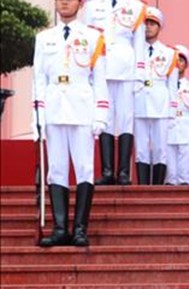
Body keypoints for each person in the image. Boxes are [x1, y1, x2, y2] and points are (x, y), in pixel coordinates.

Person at [33, 0, 108, 247]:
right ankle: (60, 228)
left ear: (81, 3)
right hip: (54, 110)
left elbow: (99, 80)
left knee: (85, 168)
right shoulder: (44, 38)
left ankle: (79, 229)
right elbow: (39, 79)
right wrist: (38, 117)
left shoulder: (93, 37)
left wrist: (100, 114)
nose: (64, 2)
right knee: (56, 168)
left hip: (82, 110)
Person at [82, 0, 146, 186]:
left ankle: (124, 172)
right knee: (106, 119)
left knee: (126, 120)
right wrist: (88, 69)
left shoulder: (136, 6)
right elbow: (88, 37)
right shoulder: (92, 5)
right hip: (102, 66)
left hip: (126, 68)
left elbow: (139, 42)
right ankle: (107, 171)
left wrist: (139, 74)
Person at [133, 7, 178, 185]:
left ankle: (158, 186)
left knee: (160, 147)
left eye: (152, 24)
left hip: (160, 101)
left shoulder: (169, 53)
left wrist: (172, 111)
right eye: (146, 24)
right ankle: (143, 186)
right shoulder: (135, 50)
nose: (148, 27)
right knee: (141, 148)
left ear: (159, 27)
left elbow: (172, 85)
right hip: (139, 99)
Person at [165, 44, 189, 185]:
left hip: (186, 130)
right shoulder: (164, 85)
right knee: (170, 171)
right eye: (175, 60)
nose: (178, 63)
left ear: (186, 64)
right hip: (168, 128)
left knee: (185, 172)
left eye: (181, 60)